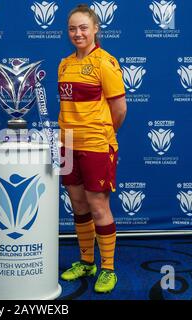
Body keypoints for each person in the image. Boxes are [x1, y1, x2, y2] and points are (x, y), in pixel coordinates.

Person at [58, 4, 127, 293]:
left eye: (83, 27)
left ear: (95, 28)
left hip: (97, 145)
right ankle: (87, 261)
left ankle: (108, 268)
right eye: (73, 28)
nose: (78, 33)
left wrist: (101, 134)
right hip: (67, 145)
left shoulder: (105, 62)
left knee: (99, 206)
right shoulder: (63, 63)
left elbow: (119, 109)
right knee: (78, 204)